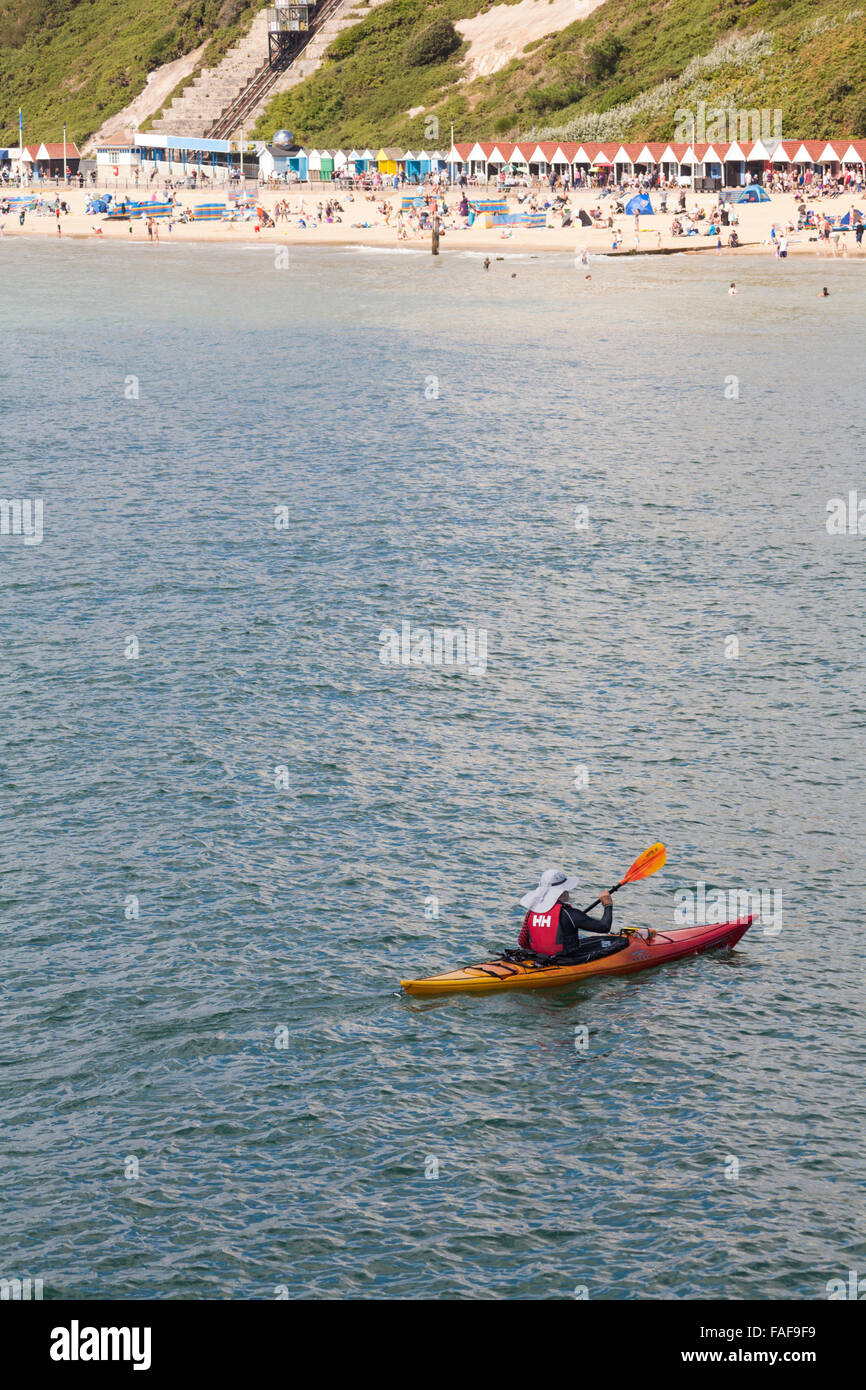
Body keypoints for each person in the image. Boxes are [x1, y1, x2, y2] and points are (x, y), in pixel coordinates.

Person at [518, 869, 614, 956]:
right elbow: (604, 927)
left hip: (538, 957)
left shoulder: (531, 912)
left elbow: (522, 942)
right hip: (564, 959)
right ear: (562, 892)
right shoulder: (569, 914)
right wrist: (608, 905)